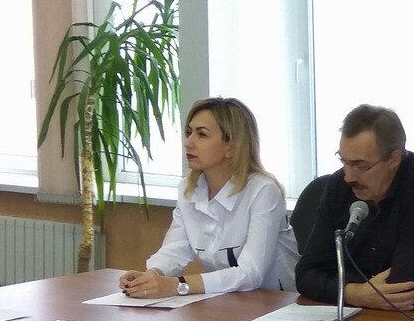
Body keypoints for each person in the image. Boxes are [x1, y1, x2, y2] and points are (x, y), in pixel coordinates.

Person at [295, 104, 414, 312]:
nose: (349, 177)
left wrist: (337, 285)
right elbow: (305, 274)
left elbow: (401, 285)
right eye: (344, 162)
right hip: (361, 313)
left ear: (393, 159)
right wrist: (354, 293)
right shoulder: (339, 186)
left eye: (361, 165)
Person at [119, 97, 298, 298]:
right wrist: (152, 275)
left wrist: (177, 285)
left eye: (202, 134)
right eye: (189, 132)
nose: (188, 143)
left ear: (231, 147)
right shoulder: (188, 188)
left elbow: (251, 273)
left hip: (274, 302)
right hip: (225, 299)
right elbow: (175, 248)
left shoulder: (263, 190)